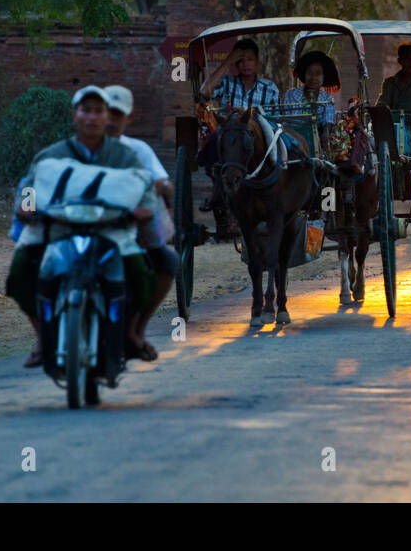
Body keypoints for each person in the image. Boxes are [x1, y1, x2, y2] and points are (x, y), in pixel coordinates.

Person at [4, 86, 162, 368]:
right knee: (19, 274)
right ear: (74, 115)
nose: (92, 117)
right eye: (85, 110)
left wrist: (144, 208)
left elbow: (145, 188)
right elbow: (29, 187)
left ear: (106, 117)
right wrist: (26, 206)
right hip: (58, 231)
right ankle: (43, 338)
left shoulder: (124, 156)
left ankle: (127, 334)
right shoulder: (51, 155)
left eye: (98, 111)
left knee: (141, 276)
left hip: (111, 232)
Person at [104, 85, 177, 359]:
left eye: (116, 114)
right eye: (105, 113)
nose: (110, 120)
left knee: (166, 262)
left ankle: (136, 330)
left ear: (128, 118)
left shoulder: (137, 150)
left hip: (127, 228)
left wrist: (158, 187)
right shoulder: (78, 147)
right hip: (84, 226)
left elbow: (164, 184)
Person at [196, 38, 280, 237]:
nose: (246, 64)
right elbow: (204, 93)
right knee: (215, 140)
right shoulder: (227, 83)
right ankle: (220, 185)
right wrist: (227, 62)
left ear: (258, 61)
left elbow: (275, 122)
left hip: (257, 141)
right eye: (241, 60)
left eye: (250, 59)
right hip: (230, 139)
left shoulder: (270, 89)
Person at [281, 50, 339, 153]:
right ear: (304, 74)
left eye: (318, 74)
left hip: (318, 144)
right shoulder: (291, 95)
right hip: (292, 143)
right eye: (310, 73)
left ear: (323, 76)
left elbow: (328, 121)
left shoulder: (327, 99)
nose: (313, 78)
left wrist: (325, 135)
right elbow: (285, 122)